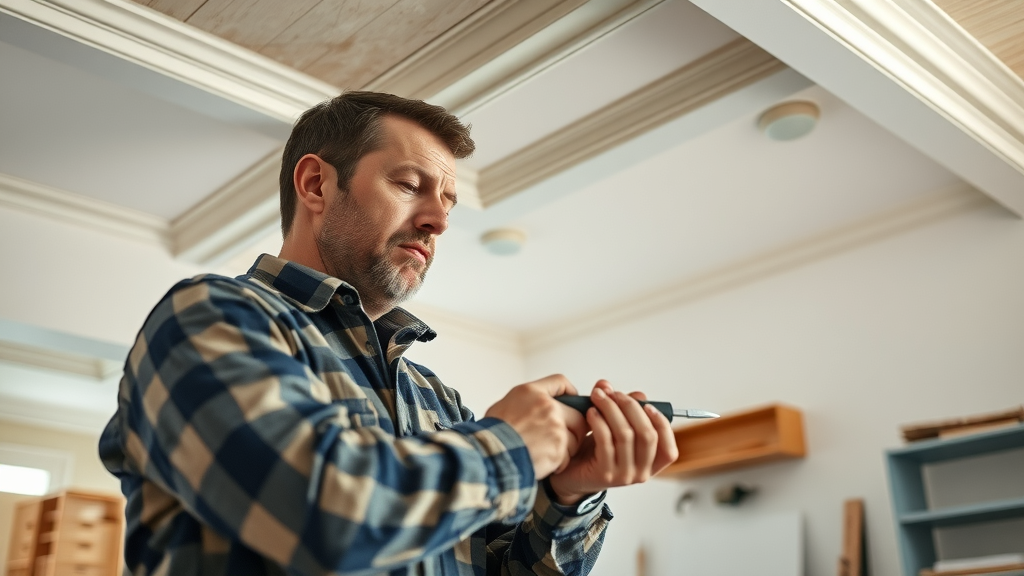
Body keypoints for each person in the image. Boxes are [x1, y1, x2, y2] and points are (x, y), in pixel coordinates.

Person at [99, 91, 678, 576]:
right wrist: (512, 445)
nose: (440, 221)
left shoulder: (437, 399)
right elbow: (324, 519)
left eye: (448, 200)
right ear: (316, 185)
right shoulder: (210, 318)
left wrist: (566, 494)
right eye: (409, 185)